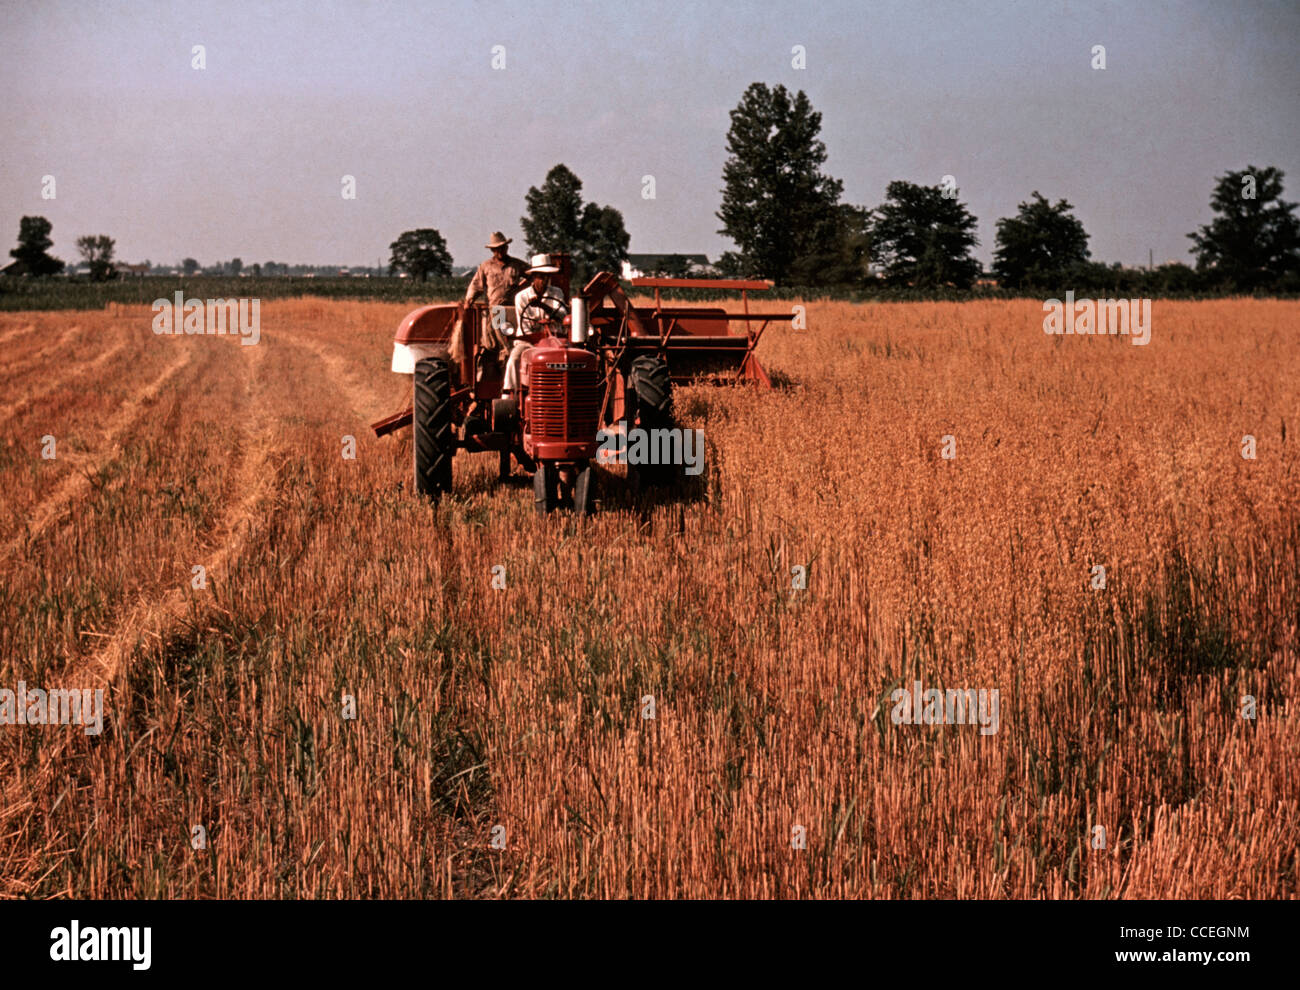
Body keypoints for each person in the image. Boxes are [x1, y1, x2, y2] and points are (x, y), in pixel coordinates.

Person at [455, 232, 528, 372]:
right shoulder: (486, 266)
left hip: (513, 309)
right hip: (495, 309)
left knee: (512, 335)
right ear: (492, 251)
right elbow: (476, 285)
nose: (499, 251)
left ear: (506, 248)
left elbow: (532, 275)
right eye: (496, 249)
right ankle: (505, 353)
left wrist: (522, 287)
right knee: (492, 339)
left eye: (502, 248)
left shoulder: (516, 265)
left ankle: (508, 354)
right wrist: (469, 300)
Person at [503, 253, 569, 394]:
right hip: (528, 341)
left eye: (547, 277)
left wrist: (543, 306)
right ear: (533, 277)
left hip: (554, 339)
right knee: (514, 359)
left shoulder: (557, 293)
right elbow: (525, 327)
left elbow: (563, 315)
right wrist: (539, 336)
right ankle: (509, 395)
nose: (544, 281)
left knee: (569, 358)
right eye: (541, 276)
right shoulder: (521, 297)